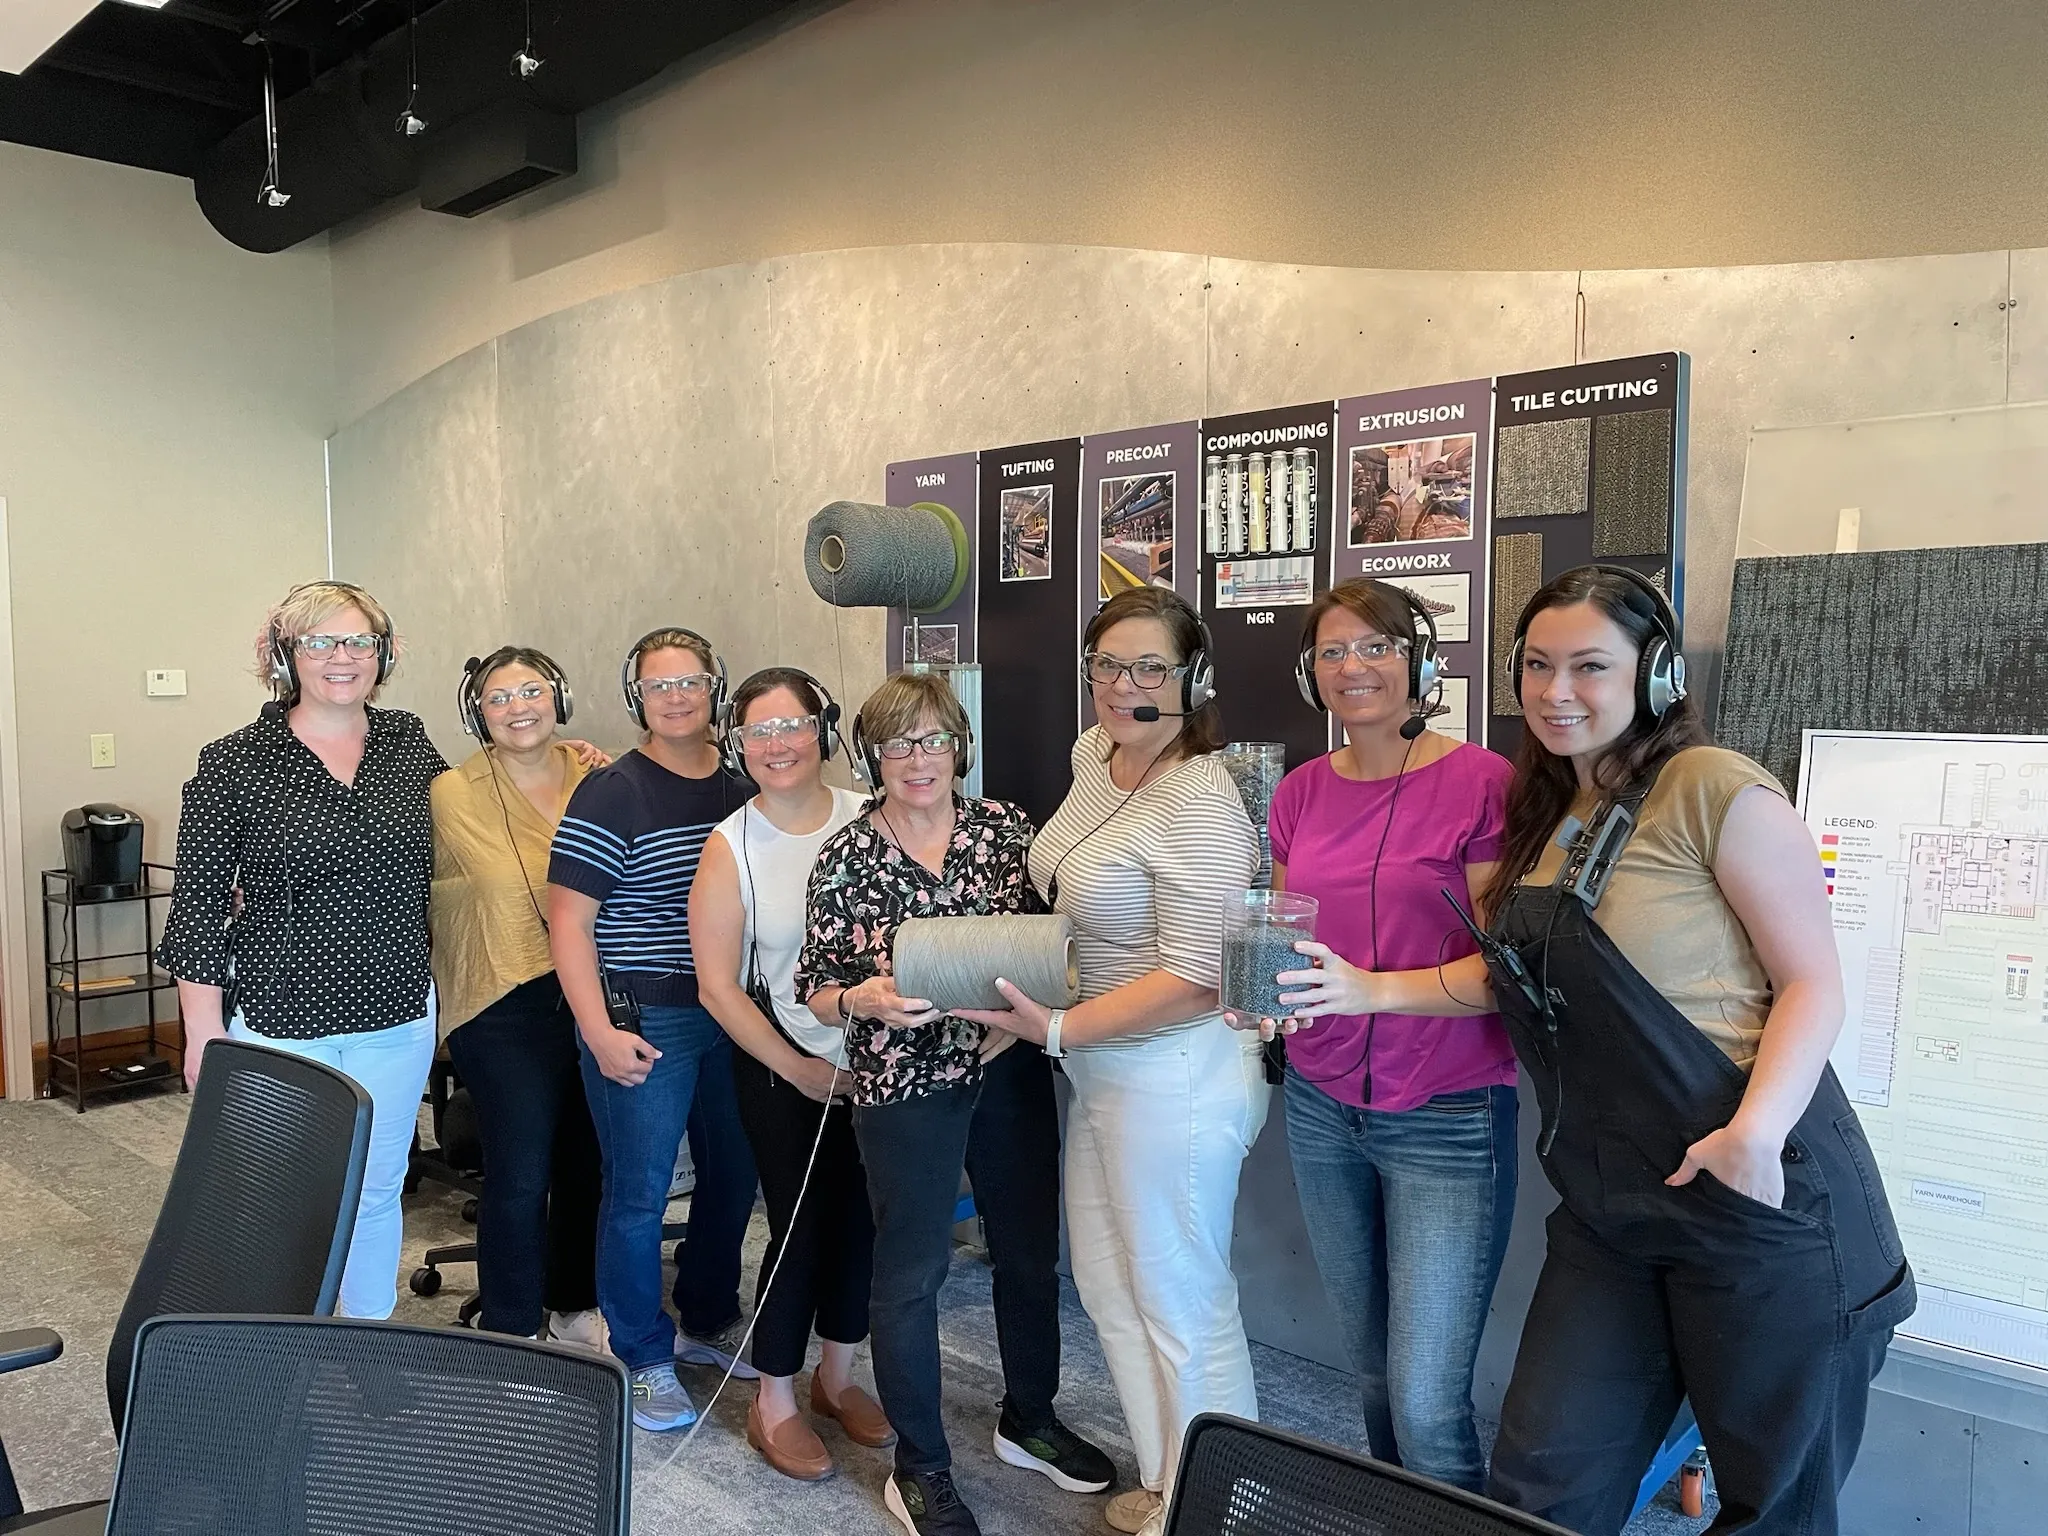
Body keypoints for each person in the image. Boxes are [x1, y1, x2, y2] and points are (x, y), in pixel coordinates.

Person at [1477, 565, 1913, 1536]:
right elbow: (1520, 973)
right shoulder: (1548, 817)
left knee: (1772, 1511)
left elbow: (1813, 983)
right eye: (1537, 665)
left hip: (1761, 1211)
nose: (1555, 691)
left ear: (1657, 674)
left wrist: (1752, 1135)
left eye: (1588, 665)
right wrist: (1359, 990)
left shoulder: (1713, 788)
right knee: (1536, 1489)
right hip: (1610, 1216)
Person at [959, 587, 1263, 1536]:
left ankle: (1225, 1506)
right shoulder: (1098, 755)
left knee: (1181, 1294)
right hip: (1097, 1066)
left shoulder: (1200, 798)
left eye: (1147, 669)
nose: (1120, 686)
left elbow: (1205, 973)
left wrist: (1055, 1031)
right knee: (1107, 1282)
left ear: (1192, 680)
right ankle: (1174, 1482)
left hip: (1175, 1069)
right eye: (1105, 666)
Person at [798, 672, 1113, 1536]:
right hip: (902, 1086)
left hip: (1006, 1070)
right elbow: (815, 989)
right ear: (874, 756)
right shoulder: (848, 855)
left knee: (1026, 1255)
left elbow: (1057, 953)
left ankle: (1030, 1420)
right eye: (898, 743)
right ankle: (920, 1467)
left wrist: (1016, 1031)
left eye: (933, 738)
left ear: (958, 745)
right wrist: (862, 1002)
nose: (918, 758)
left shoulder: (1006, 832)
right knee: (912, 1278)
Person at [1224, 578, 1517, 1493]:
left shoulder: (1482, 782)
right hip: (1320, 1105)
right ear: (1312, 675)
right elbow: (1281, 934)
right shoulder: (1301, 793)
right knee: (1375, 1379)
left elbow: (1502, 972)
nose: (1354, 666)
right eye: (1334, 651)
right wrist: (1260, 995)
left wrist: (1366, 989)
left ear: (1420, 661)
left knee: (1428, 1401)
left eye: (1377, 646)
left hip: (1447, 1115)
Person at [159, 580, 445, 1320]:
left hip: (395, 1009)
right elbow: (195, 905)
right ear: (284, 654)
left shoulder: (409, 742)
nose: (341, 657)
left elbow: (470, 826)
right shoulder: (234, 761)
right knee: (278, 1198)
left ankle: (367, 1341)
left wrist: (557, 760)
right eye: (319, 641)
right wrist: (204, 1033)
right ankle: (283, 1349)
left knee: (377, 1188)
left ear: (382, 655)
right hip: (282, 1019)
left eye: (358, 641)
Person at [548, 627, 760, 1433]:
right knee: (637, 1194)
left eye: (693, 681)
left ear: (716, 688)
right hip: (644, 1017)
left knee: (734, 1177)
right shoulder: (613, 792)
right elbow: (569, 923)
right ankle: (640, 1352)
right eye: (660, 684)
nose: (678, 696)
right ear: (637, 696)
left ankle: (705, 1318)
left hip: (728, 1012)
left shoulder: (739, 788)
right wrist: (596, 1028)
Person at [689, 666, 889, 1480]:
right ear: (739, 745)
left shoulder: (868, 816)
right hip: (782, 1063)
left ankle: (834, 1378)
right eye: (759, 732)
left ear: (824, 730)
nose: (778, 745)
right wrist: (800, 1069)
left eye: (793, 726)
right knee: (801, 1227)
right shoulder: (730, 843)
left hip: (876, 1058)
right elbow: (716, 987)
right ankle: (773, 1395)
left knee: (866, 1226)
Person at [429, 646, 606, 1347]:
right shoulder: (453, 793)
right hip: (501, 998)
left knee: (586, 1161)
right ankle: (510, 1327)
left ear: (557, 696)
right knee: (523, 1168)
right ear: (478, 713)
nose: (517, 707)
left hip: (593, 991)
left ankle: (572, 1305)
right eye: (498, 698)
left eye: (530, 691)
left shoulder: (599, 773)